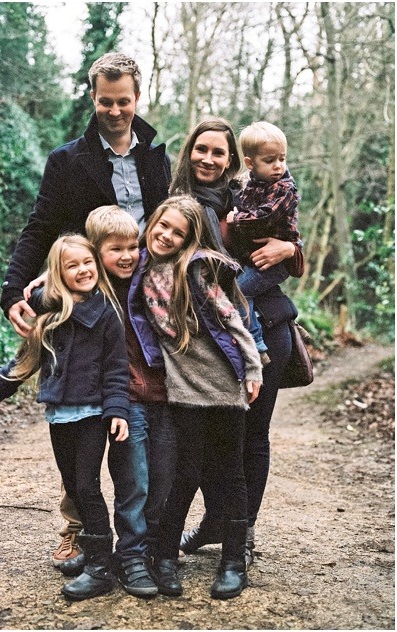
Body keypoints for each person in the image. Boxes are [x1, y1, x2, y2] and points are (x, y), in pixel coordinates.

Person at [0, 51, 171, 567]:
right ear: (92, 98)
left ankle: (146, 537)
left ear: (137, 99)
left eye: (123, 102)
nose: (114, 111)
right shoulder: (68, 160)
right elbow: (40, 225)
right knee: (81, 414)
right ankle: (80, 530)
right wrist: (12, 291)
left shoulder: (157, 156)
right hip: (88, 294)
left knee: (136, 409)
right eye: (104, 101)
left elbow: (174, 222)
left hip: (145, 296)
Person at [0, 235, 137, 601]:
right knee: (73, 486)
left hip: (92, 413)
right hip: (59, 415)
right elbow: (26, 361)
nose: (82, 271)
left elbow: (116, 369)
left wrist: (118, 411)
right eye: (71, 265)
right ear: (58, 274)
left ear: (96, 264)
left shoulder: (106, 314)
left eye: (87, 263)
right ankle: (94, 553)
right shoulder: (50, 314)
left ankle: (100, 569)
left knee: (88, 486)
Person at [169, 118, 303, 566]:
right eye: (201, 150)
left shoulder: (250, 197)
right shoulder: (177, 205)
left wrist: (291, 251)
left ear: (231, 161)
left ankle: (240, 532)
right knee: (212, 439)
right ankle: (216, 522)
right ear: (189, 152)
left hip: (268, 330)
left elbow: (287, 247)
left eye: (217, 152)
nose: (208, 159)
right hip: (212, 342)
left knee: (252, 438)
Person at [38, 206, 172, 598]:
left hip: (156, 393)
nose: (128, 255)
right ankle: (119, 556)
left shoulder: (145, 278)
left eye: (134, 247)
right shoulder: (91, 292)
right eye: (116, 249)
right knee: (125, 482)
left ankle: (145, 552)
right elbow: (45, 296)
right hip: (115, 400)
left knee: (158, 480)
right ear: (97, 253)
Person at [133, 195, 263, 599]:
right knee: (184, 474)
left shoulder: (195, 270)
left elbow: (232, 319)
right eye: (163, 226)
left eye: (178, 232)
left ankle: (233, 562)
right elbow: (81, 265)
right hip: (184, 390)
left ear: (190, 240)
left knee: (230, 474)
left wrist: (253, 366)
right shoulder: (136, 267)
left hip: (223, 385)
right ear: (151, 222)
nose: (167, 236)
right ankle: (166, 557)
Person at [225, 121, 301, 362]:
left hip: (273, 265)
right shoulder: (250, 184)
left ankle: (256, 344)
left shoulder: (283, 189)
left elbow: (264, 216)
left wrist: (236, 218)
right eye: (270, 161)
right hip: (255, 261)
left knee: (239, 292)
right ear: (250, 163)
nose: (278, 166)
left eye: (282, 158)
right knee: (241, 291)